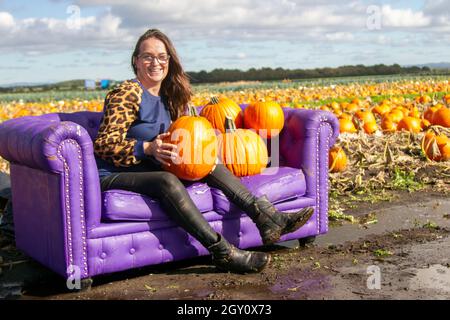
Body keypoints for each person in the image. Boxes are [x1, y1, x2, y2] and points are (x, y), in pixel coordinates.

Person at [94, 29, 314, 273]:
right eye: (147, 56)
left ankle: (266, 217)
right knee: (166, 181)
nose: (155, 62)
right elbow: (104, 143)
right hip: (114, 173)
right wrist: (147, 147)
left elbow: (188, 139)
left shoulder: (171, 97)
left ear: (169, 61)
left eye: (161, 57)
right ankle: (222, 252)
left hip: (154, 167)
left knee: (206, 163)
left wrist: (205, 148)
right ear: (136, 61)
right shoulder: (127, 92)